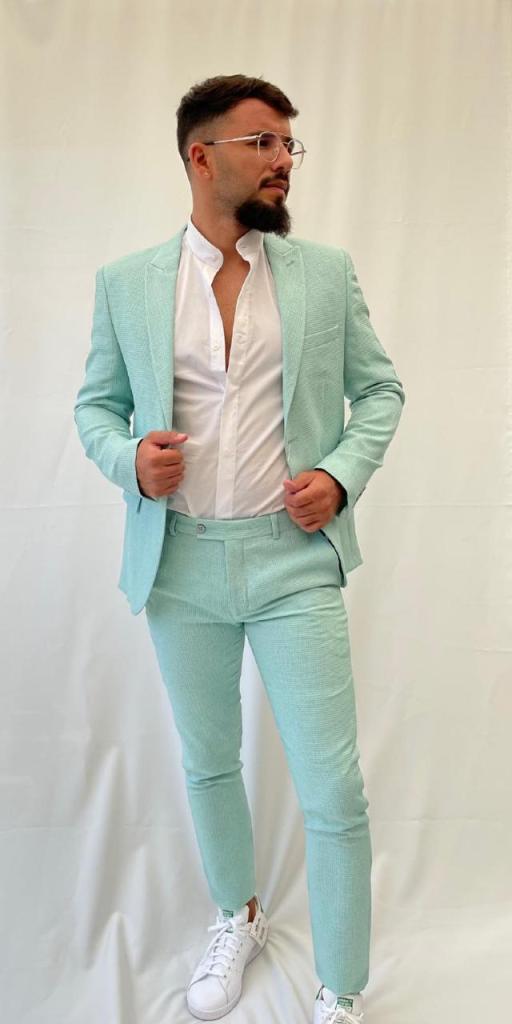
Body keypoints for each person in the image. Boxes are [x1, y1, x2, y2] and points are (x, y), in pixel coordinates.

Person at [74, 73, 405, 1024]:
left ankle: (341, 986)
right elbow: (95, 408)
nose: (281, 161)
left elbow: (381, 390)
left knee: (332, 785)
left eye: (287, 145)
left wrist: (338, 473)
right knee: (209, 761)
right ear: (200, 154)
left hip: (293, 561)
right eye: (262, 142)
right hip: (179, 563)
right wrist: (132, 463)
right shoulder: (128, 283)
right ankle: (240, 914)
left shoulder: (323, 274)